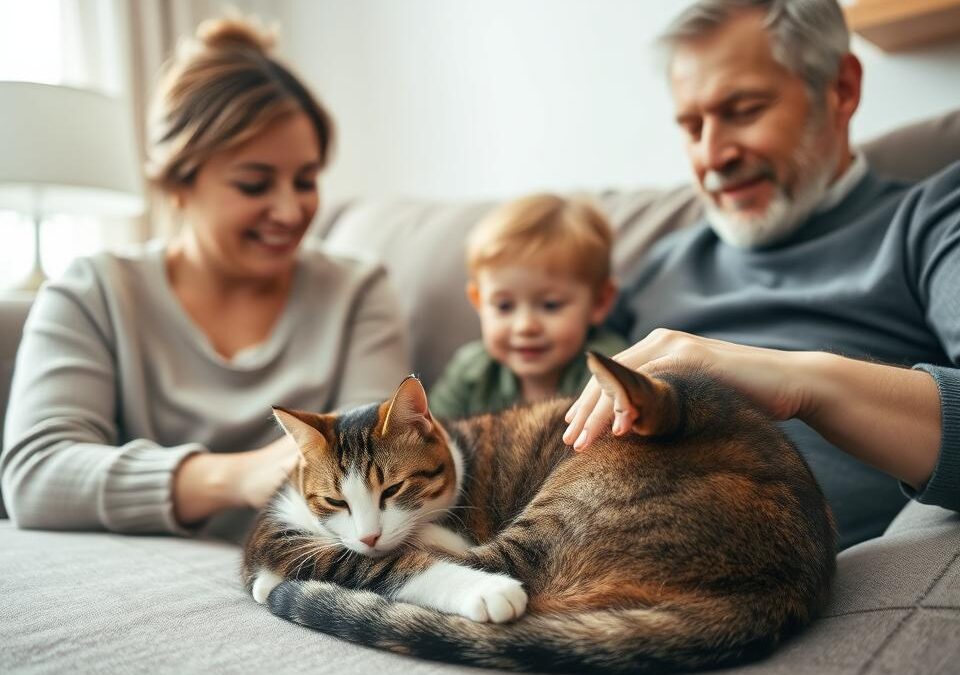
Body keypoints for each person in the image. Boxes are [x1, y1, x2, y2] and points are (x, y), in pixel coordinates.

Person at [563, 0, 960, 550]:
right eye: (691, 125)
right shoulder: (659, 264)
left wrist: (804, 382)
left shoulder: (935, 219)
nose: (712, 154)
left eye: (744, 110)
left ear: (841, 89)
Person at [0, 16, 410, 537]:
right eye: (254, 184)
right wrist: (235, 478)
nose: (290, 210)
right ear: (178, 182)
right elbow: (36, 475)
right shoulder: (94, 293)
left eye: (305, 180)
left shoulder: (359, 292)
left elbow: (381, 465)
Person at [429, 193, 625, 418]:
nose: (525, 326)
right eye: (504, 306)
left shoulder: (608, 367)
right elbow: (434, 436)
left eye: (550, 305)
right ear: (479, 302)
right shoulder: (470, 372)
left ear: (599, 302)